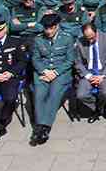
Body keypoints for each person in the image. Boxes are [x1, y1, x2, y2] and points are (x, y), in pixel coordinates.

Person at [30, 13, 75, 146]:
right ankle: (41, 126)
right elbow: (35, 59)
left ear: (57, 27)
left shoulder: (67, 38)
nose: (48, 31)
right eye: (46, 28)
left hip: (60, 72)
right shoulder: (38, 39)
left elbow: (69, 60)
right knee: (39, 95)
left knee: (54, 95)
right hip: (43, 72)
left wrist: (55, 72)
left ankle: (43, 127)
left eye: (51, 28)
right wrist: (44, 71)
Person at [73, 22, 106, 123]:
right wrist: (88, 76)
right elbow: (78, 62)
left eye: (92, 37)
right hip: (88, 73)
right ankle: (98, 108)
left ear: (96, 32)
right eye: (87, 38)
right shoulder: (80, 42)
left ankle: (99, 107)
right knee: (81, 95)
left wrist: (102, 75)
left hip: (105, 72)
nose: (90, 40)